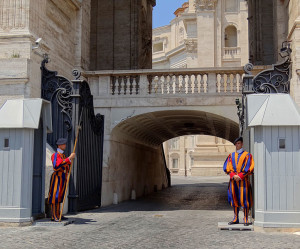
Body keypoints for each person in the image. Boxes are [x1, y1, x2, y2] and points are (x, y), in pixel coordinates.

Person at [223, 137, 254, 226]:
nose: (237, 145)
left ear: (242, 144)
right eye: (236, 144)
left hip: (243, 181)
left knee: (245, 199)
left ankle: (245, 219)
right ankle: (235, 218)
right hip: (233, 182)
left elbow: (249, 167)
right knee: (234, 198)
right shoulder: (231, 155)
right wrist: (233, 175)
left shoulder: (247, 155)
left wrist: (240, 176)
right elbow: (227, 167)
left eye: (239, 143)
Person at [48, 138, 76, 221]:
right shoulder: (55, 155)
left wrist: (69, 160)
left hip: (63, 177)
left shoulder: (63, 156)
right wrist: (69, 158)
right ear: (59, 145)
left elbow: (66, 165)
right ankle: (54, 215)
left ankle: (58, 214)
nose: (65, 146)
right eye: (64, 144)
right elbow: (56, 166)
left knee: (60, 196)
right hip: (57, 177)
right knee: (55, 196)